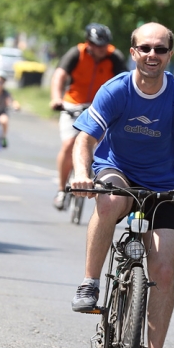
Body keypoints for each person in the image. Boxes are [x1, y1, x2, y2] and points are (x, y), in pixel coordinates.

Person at [69, 22, 174, 348]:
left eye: (160, 49)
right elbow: (85, 139)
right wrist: (83, 175)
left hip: (165, 185)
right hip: (118, 172)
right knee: (112, 198)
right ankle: (90, 281)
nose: (152, 55)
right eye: (145, 48)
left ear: (169, 54)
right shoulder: (116, 89)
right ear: (133, 52)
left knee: (163, 271)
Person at [50, 23, 127, 210]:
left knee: (99, 146)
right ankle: (61, 190)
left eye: (104, 45)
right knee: (69, 144)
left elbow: (126, 83)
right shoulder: (76, 54)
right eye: (97, 45)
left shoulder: (114, 57)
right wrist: (56, 98)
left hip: (100, 108)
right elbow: (59, 76)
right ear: (88, 43)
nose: (101, 49)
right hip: (73, 103)